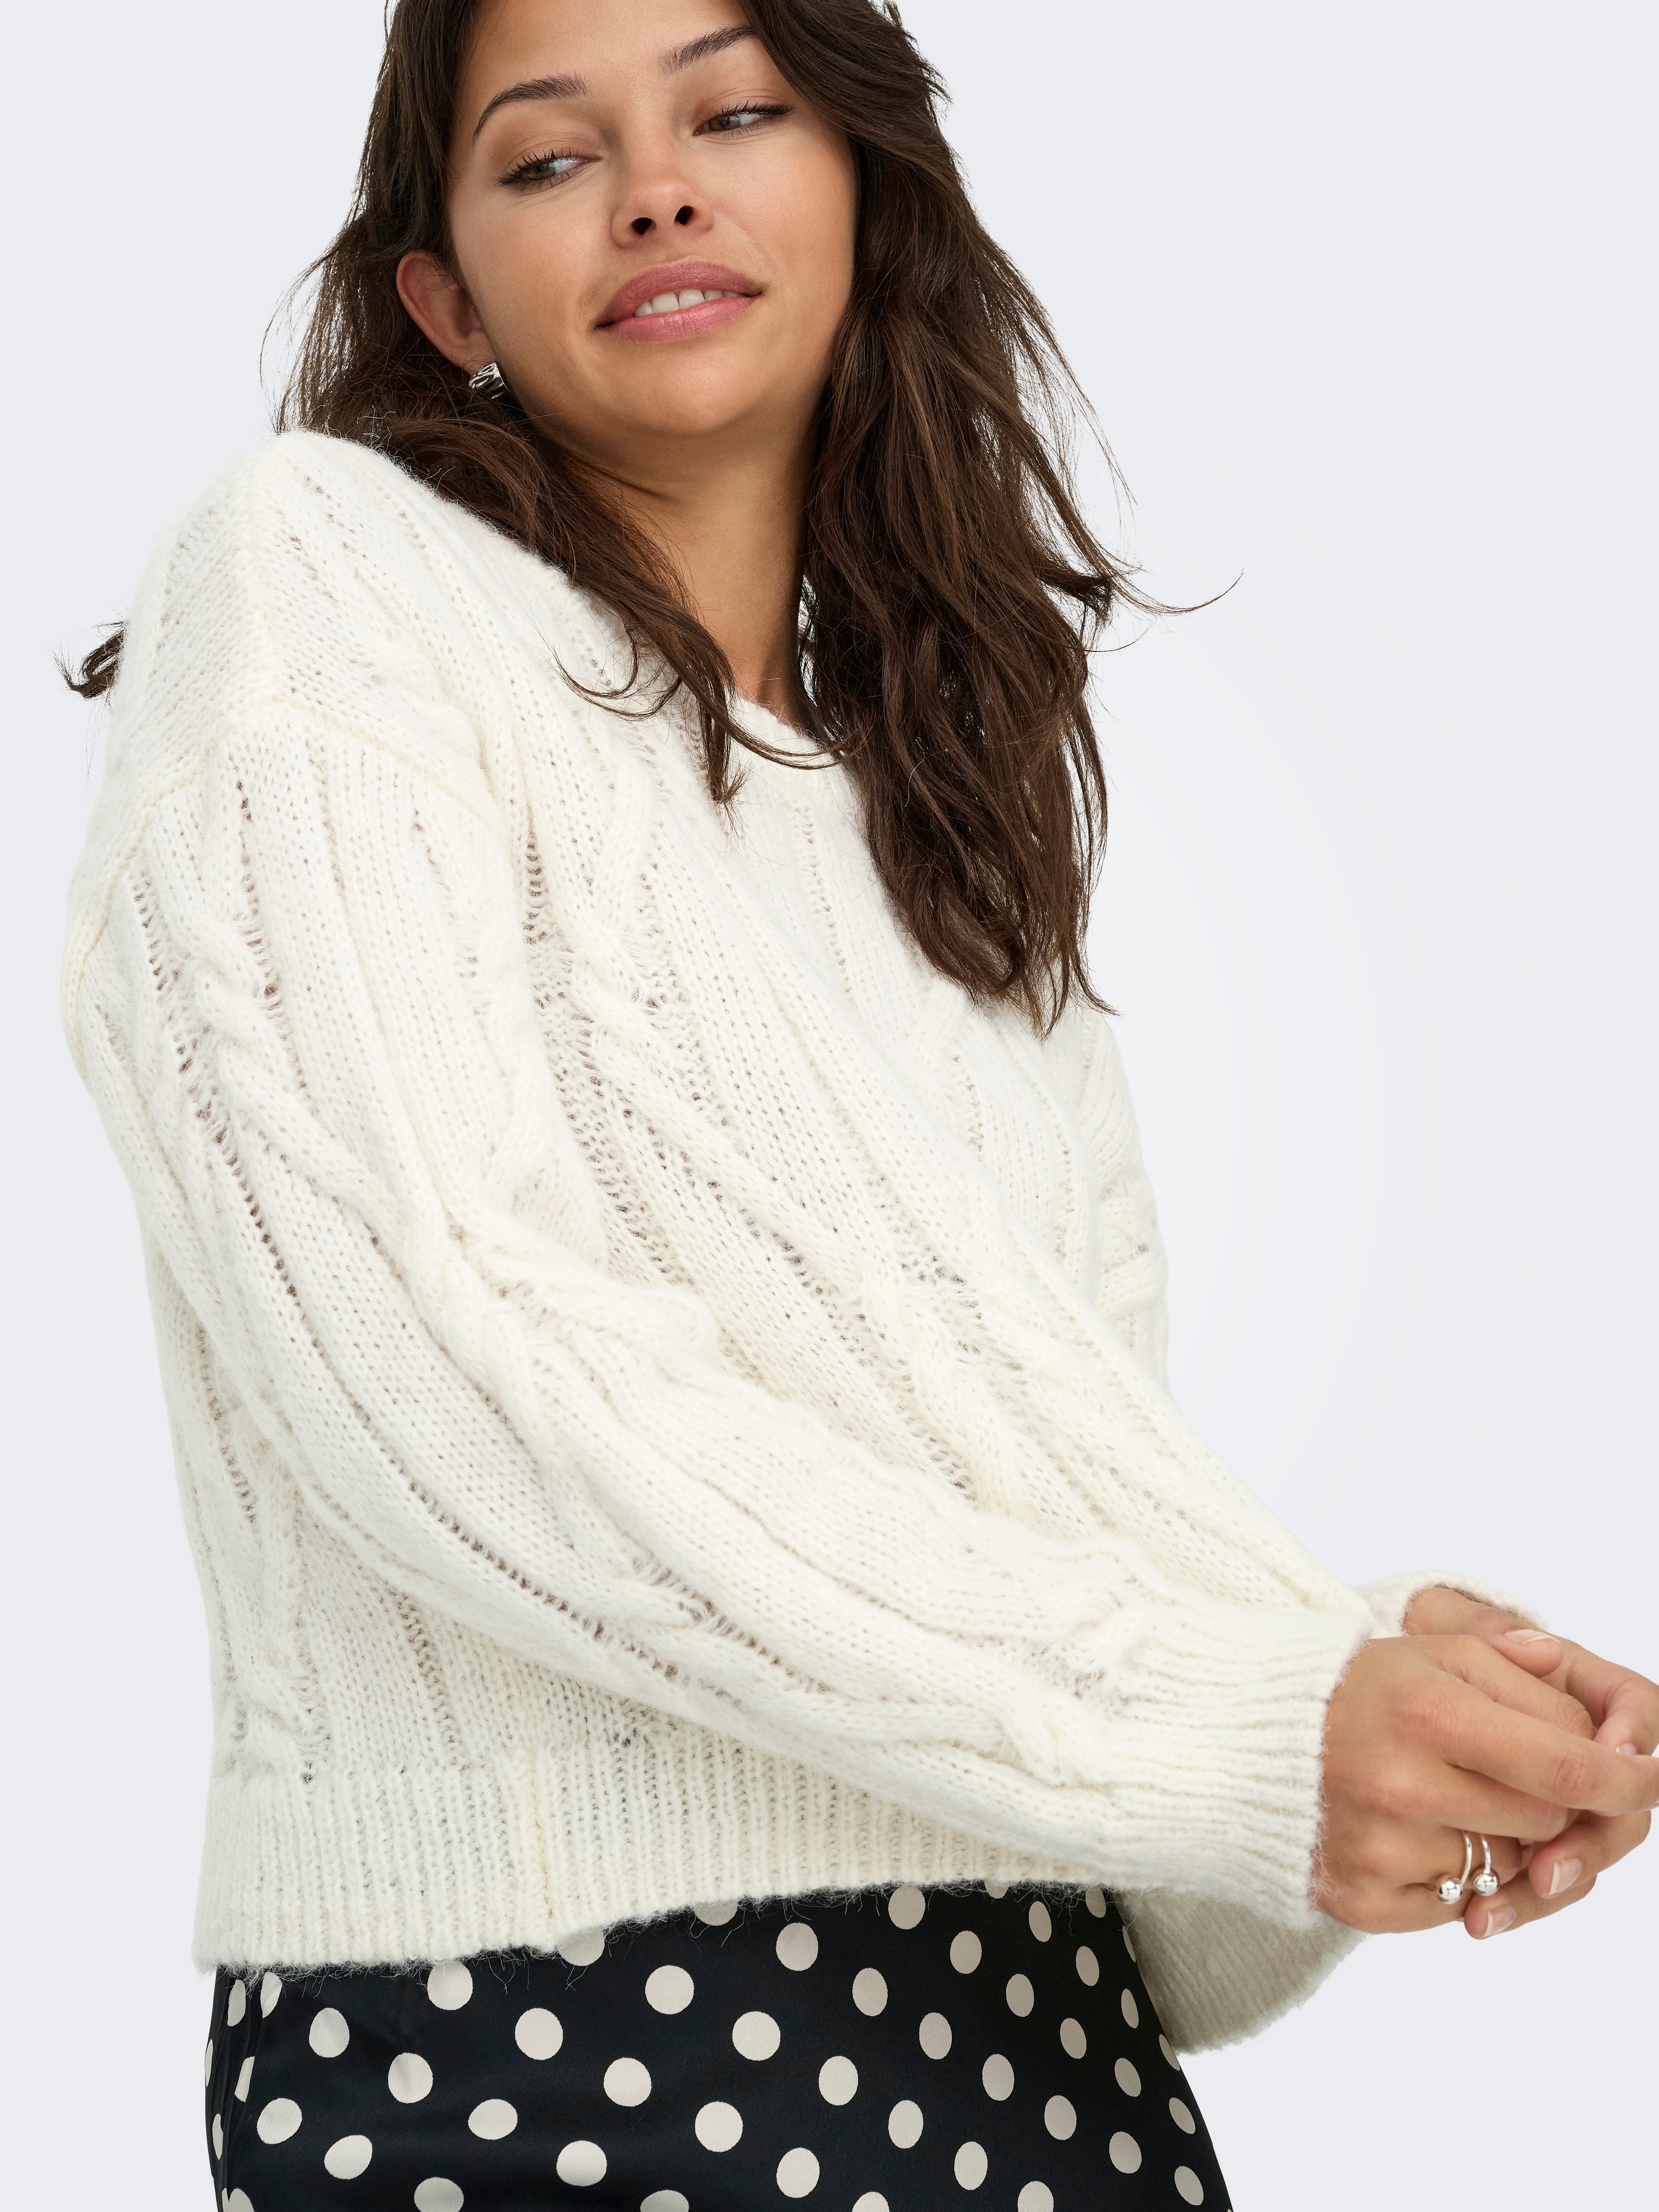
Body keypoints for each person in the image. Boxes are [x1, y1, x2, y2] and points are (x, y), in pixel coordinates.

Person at [61, 2, 1657, 2207]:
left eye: (734, 111)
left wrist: (1368, 1681)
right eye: (548, 158)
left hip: (1051, 2051)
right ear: (446, 305)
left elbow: (1088, 1642)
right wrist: (1254, 1715)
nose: (657, 189)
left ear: (866, 199)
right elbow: (438, 1350)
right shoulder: (317, 577)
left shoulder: (951, 840)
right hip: (544, 2046)